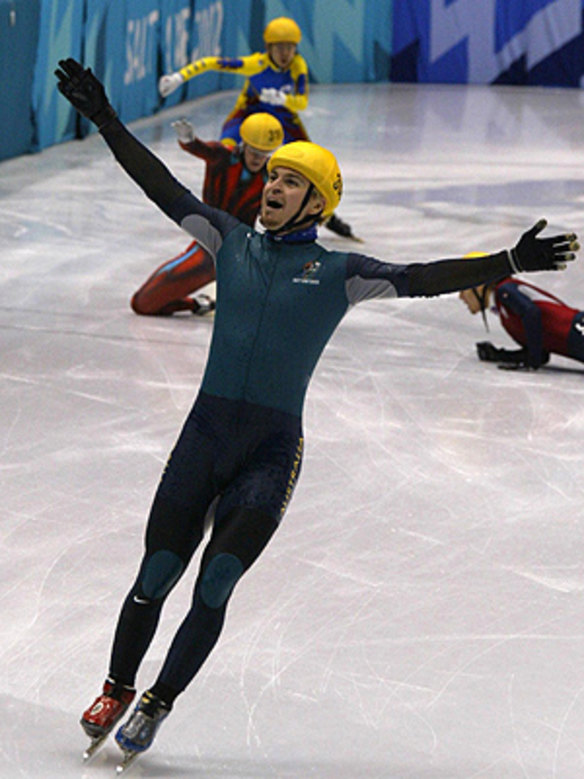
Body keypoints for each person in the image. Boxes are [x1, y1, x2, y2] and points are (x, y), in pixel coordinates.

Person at [54, 58, 579, 767]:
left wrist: (507, 259)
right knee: (156, 574)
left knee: (215, 581)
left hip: (270, 453)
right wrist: (107, 120)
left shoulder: (340, 274)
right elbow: (159, 185)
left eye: (289, 181)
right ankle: (118, 685)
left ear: (316, 202)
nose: (271, 186)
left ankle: (157, 701)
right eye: (273, 176)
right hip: (204, 436)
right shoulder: (226, 240)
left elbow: (423, 279)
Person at [159, 15, 358, 241]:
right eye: (280, 47)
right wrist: (179, 77)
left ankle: (327, 216)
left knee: (313, 168)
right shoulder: (255, 65)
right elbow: (212, 63)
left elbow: (301, 101)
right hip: (247, 116)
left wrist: (282, 99)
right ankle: (221, 215)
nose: (285, 54)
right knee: (226, 155)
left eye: (290, 48)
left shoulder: (297, 65)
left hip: (283, 117)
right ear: (268, 48)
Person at [131, 111, 283, 316]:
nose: (258, 158)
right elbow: (202, 149)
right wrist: (188, 140)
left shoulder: (272, 177)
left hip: (242, 250)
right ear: (244, 144)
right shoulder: (223, 157)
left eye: (265, 153)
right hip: (210, 248)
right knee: (143, 303)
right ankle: (199, 305)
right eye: (254, 151)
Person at [459, 252, 584, 370]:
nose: (461, 296)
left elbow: (531, 313)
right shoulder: (506, 309)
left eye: (463, 288)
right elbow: (539, 353)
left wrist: (532, 361)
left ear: (479, 285)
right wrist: (500, 355)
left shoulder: (505, 290)